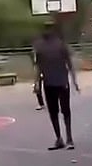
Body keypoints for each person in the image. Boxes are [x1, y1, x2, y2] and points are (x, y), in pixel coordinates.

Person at [33, 22, 79, 150]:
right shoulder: (41, 47)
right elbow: (39, 66)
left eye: (49, 29)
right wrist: (37, 82)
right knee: (54, 111)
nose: (46, 31)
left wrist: (74, 80)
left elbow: (69, 64)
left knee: (65, 110)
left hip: (61, 81)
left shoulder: (60, 45)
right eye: (45, 29)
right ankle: (60, 138)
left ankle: (69, 138)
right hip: (50, 82)